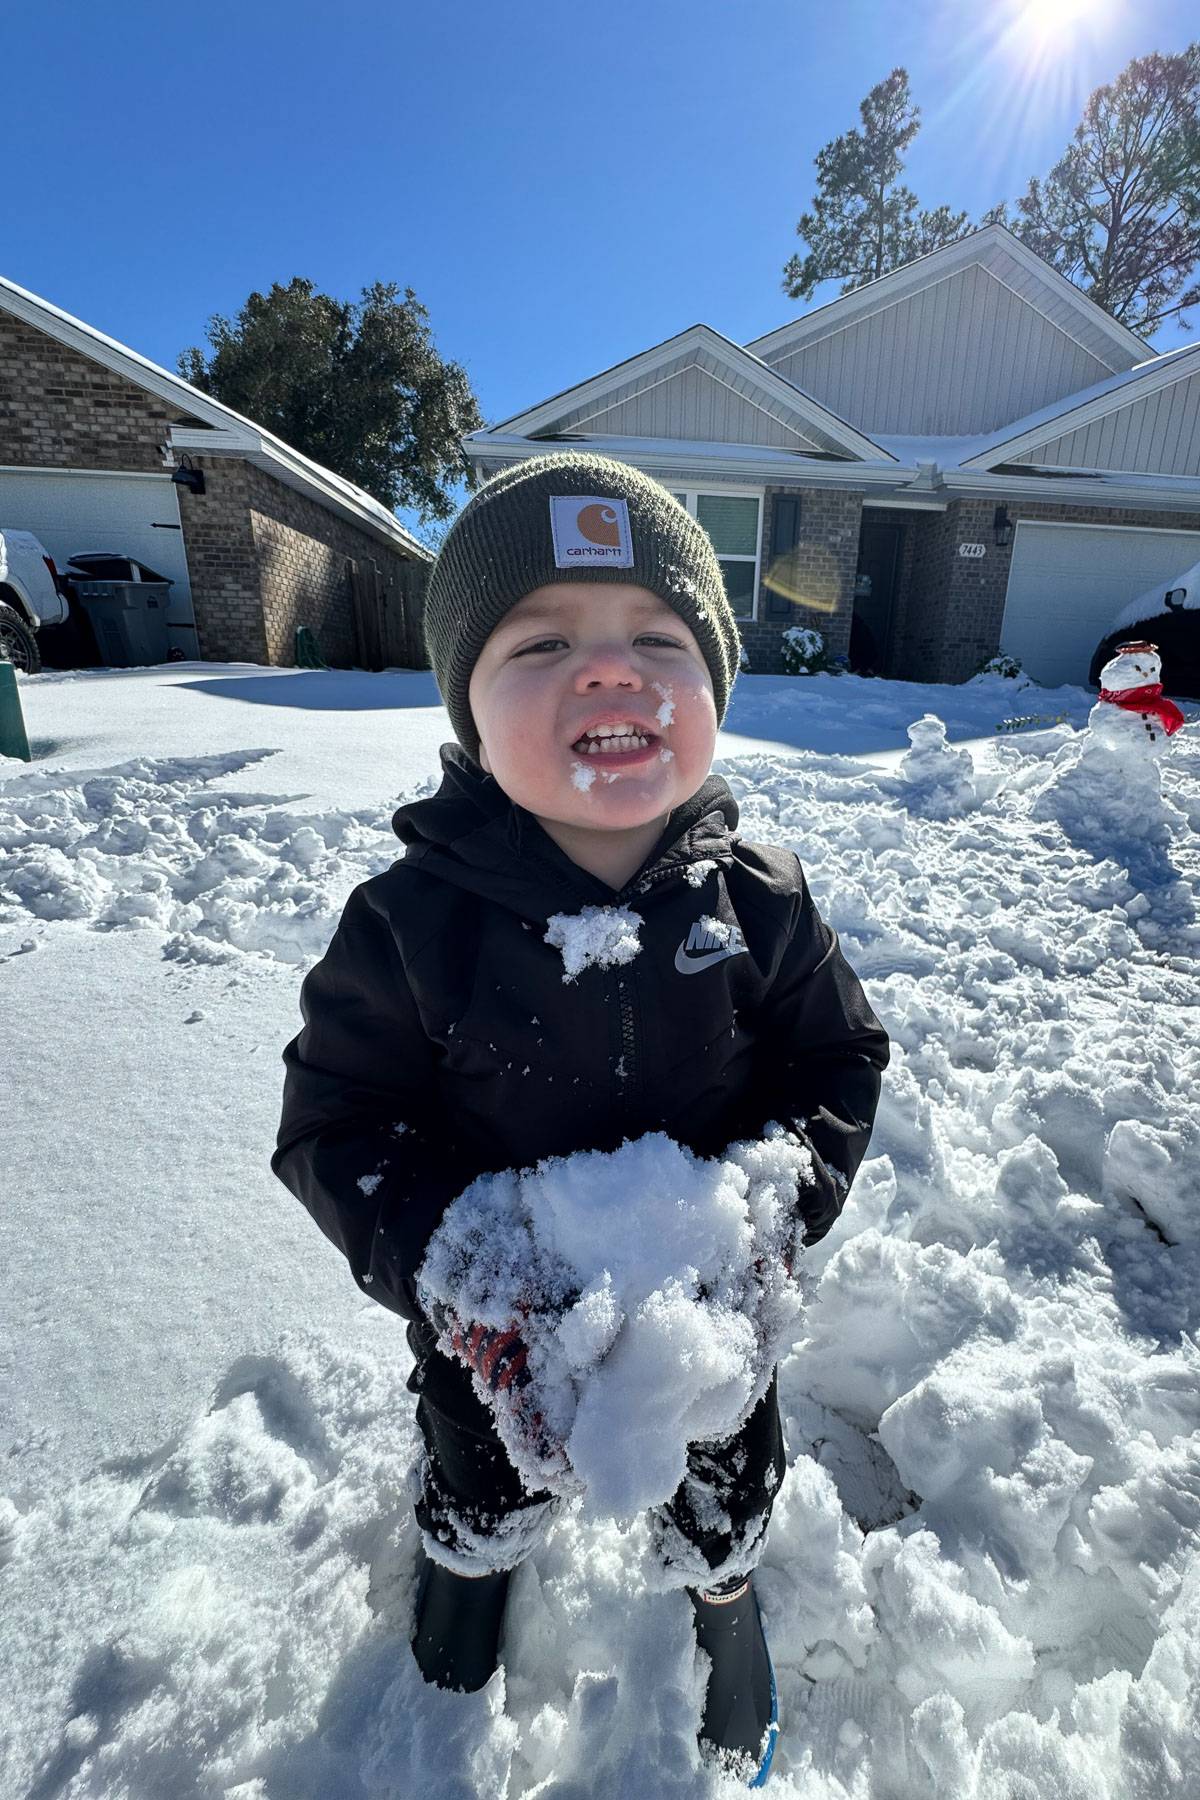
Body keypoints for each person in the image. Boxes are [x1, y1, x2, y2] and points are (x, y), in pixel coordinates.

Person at [271, 453, 890, 1785]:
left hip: (705, 1309)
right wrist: (463, 1266)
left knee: (728, 1473)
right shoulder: (408, 925)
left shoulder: (759, 899)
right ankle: (464, 1599)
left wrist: (776, 1203)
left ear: (712, 691)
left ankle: (724, 1602)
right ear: (468, 709)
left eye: (658, 639)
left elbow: (836, 1054)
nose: (611, 671)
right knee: (479, 1476)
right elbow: (335, 1124)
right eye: (543, 641)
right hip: (498, 1331)